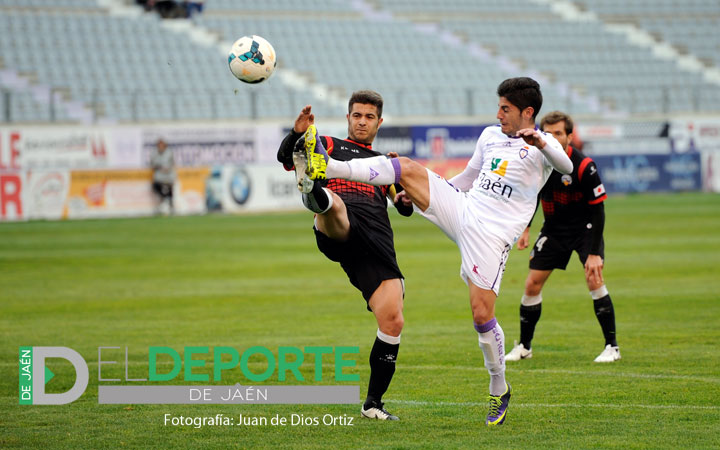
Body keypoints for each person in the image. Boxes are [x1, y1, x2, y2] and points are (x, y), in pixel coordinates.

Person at [296, 77, 573, 426]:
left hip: (492, 235)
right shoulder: (489, 136)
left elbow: (566, 166)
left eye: (505, 108)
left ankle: (499, 387)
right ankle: (328, 167)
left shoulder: (543, 144)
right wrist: (424, 193)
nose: (498, 113)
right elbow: (469, 177)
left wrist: (540, 142)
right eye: (499, 106)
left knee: (481, 315)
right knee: (408, 168)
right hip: (465, 208)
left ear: (527, 112)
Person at [277, 90, 412, 421]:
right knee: (336, 206)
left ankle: (372, 404)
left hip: (376, 240)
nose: (362, 121)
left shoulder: (383, 161)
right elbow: (284, 157)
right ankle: (314, 192)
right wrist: (297, 134)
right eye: (356, 115)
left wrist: (403, 195)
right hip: (340, 223)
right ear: (348, 117)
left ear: (379, 122)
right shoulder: (330, 145)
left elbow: (403, 207)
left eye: (369, 116)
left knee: (393, 319)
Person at [505, 111, 620, 363]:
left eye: (559, 133)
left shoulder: (583, 166)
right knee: (531, 284)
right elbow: (532, 195)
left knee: (594, 280)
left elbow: (598, 208)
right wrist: (526, 228)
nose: (553, 138)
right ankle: (525, 346)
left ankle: (612, 347)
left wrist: (594, 252)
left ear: (570, 135)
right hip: (553, 230)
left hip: (585, 230)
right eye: (548, 133)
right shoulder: (539, 162)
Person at [150, 138, 175, 215]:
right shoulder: (154, 153)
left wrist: (167, 168)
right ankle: (164, 202)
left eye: (162, 145)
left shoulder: (169, 153)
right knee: (156, 187)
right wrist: (160, 167)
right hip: (159, 176)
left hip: (168, 176)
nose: (161, 146)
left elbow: (172, 164)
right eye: (159, 145)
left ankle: (170, 206)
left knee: (170, 189)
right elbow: (153, 165)